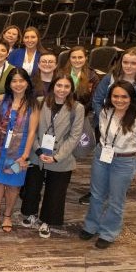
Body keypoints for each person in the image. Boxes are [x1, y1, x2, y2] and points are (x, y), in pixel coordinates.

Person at [81, 81, 136, 249]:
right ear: (110, 97)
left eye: (124, 97)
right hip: (102, 156)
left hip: (124, 161)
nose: (119, 100)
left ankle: (108, 232)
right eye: (115, 96)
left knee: (116, 199)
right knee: (96, 195)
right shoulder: (106, 112)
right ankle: (91, 225)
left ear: (131, 98)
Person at [21, 75, 84, 238]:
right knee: (32, 187)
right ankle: (31, 213)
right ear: (53, 86)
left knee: (55, 191)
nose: (62, 90)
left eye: (66, 87)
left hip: (61, 157)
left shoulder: (77, 108)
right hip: (38, 154)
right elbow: (32, 129)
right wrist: (39, 151)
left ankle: (47, 220)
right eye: (59, 85)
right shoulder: (40, 102)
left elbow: (74, 136)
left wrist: (57, 157)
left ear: (71, 89)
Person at [0, 68, 40, 232]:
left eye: (21, 81)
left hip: (19, 153)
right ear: (9, 83)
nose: (18, 84)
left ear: (27, 83)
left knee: (14, 185)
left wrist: (25, 155)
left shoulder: (33, 104)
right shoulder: (1, 100)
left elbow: (32, 132)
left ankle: (7, 215)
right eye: (14, 81)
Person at [62, 45, 100, 110]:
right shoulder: (61, 74)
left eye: (80, 57)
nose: (77, 60)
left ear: (86, 58)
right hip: (63, 109)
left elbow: (93, 100)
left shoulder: (93, 77)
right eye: (73, 57)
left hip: (84, 111)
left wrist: (81, 112)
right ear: (69, 59)